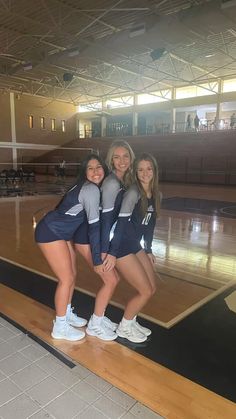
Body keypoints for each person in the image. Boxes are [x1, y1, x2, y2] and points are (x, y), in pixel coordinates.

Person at [35, 154, 107, 341]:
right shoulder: (90, 189)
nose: (95, 171)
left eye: (98, 167)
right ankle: (59, 327)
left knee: (72, 275)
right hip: (51, 232)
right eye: (90, 168)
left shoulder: (86, 187)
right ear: (85, 172)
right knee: (66, 279)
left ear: (104, 169)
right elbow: (94, 227)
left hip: (62, 233)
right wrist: (97, 259)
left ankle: (66, 313)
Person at [74, 139, 135, 340]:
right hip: (87, 238)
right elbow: (104, 222)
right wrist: (101, 253)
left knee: (113, 279)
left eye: (125, 156)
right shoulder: (111, 184)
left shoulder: (120, 181)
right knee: (110, 280)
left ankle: (98, 318)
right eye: (116, 157)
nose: (122, 160)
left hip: (95, 237)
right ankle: (95, 324)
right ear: (111, 160)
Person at [105, 153, 161, 343]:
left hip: (135, 245)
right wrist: (112, 253)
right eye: (141, 169)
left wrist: (149, 249)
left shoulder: (156, 195)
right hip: (121, 247)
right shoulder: (133, 193)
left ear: (154, 171)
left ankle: (132, 320)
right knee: (144, 291)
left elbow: (150, 225)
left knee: (152, 288)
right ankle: (124, 327)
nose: (145, 173)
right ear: (136, 173)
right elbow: (120, 225)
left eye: (149, 169)